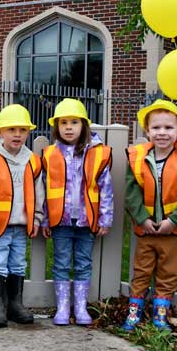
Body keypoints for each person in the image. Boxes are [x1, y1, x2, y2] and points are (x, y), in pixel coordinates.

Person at [121, 99, 177, 331]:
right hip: (146, 229)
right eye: (156, 128)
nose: (162, 133)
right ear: (147, 131)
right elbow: (131, 192)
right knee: (141, 271)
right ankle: (134, 313)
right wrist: (141, 219)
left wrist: (173, 220)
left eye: (168, 128)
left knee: (168, 273)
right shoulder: (137, 158)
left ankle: (160, 315)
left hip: (174, 230)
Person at [0, 104, 45, 328]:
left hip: (21, 225)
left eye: (22, 130)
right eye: (11, 129)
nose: (17, 134)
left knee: (18, 264)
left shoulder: (32, 160)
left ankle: (15, 304)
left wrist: (37, 218)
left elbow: (39, 192)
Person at [41, 99, 113, 326]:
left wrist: (105, 218)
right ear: (57, 127)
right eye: (63, 123)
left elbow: (106, 188)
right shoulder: (50, 154)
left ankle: (80, 308)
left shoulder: (98, 153)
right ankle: (63, 308)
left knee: (83, 262)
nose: (69, 127)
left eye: (74, 122)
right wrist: (44, 219)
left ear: (84, 125)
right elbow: (44, 188)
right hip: (60, 221)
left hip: (87, 220)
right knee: (61, 262)